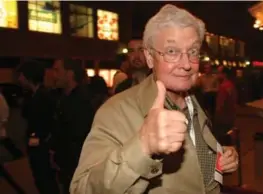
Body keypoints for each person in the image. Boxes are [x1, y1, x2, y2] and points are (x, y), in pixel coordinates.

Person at [71, 4, 239, 194]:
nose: (186, 64)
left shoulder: (194, 101)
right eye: (171, 52)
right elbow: (82, 189)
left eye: (192, 52)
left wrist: (219, 156)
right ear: (150, 58)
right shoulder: (116, 111)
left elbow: (194, 164)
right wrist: (142, 147)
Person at [50, 59, 95, 194]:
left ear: (69, 74)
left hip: (77, 164)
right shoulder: (63, 98)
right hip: (67, 164)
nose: (53, 75)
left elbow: (79, 134)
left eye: (57, 70)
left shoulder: (81, 101)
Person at [17, 60, 60, 194]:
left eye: (21, 75)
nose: (19, 79)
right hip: (39, 146)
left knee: (45, 181)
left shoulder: (41, 97)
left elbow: (40, 127)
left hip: (41, 148)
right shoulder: (34, 95)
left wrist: (33, 145)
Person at [214, 66, 237, 145]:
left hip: (223, 119)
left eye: (218, 73)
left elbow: (220, 105)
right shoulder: (231, 85)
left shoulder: (223, 87)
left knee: (223, 142)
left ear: (224, 75)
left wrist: (216, 117)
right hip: (230, 117)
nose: (217, 75)